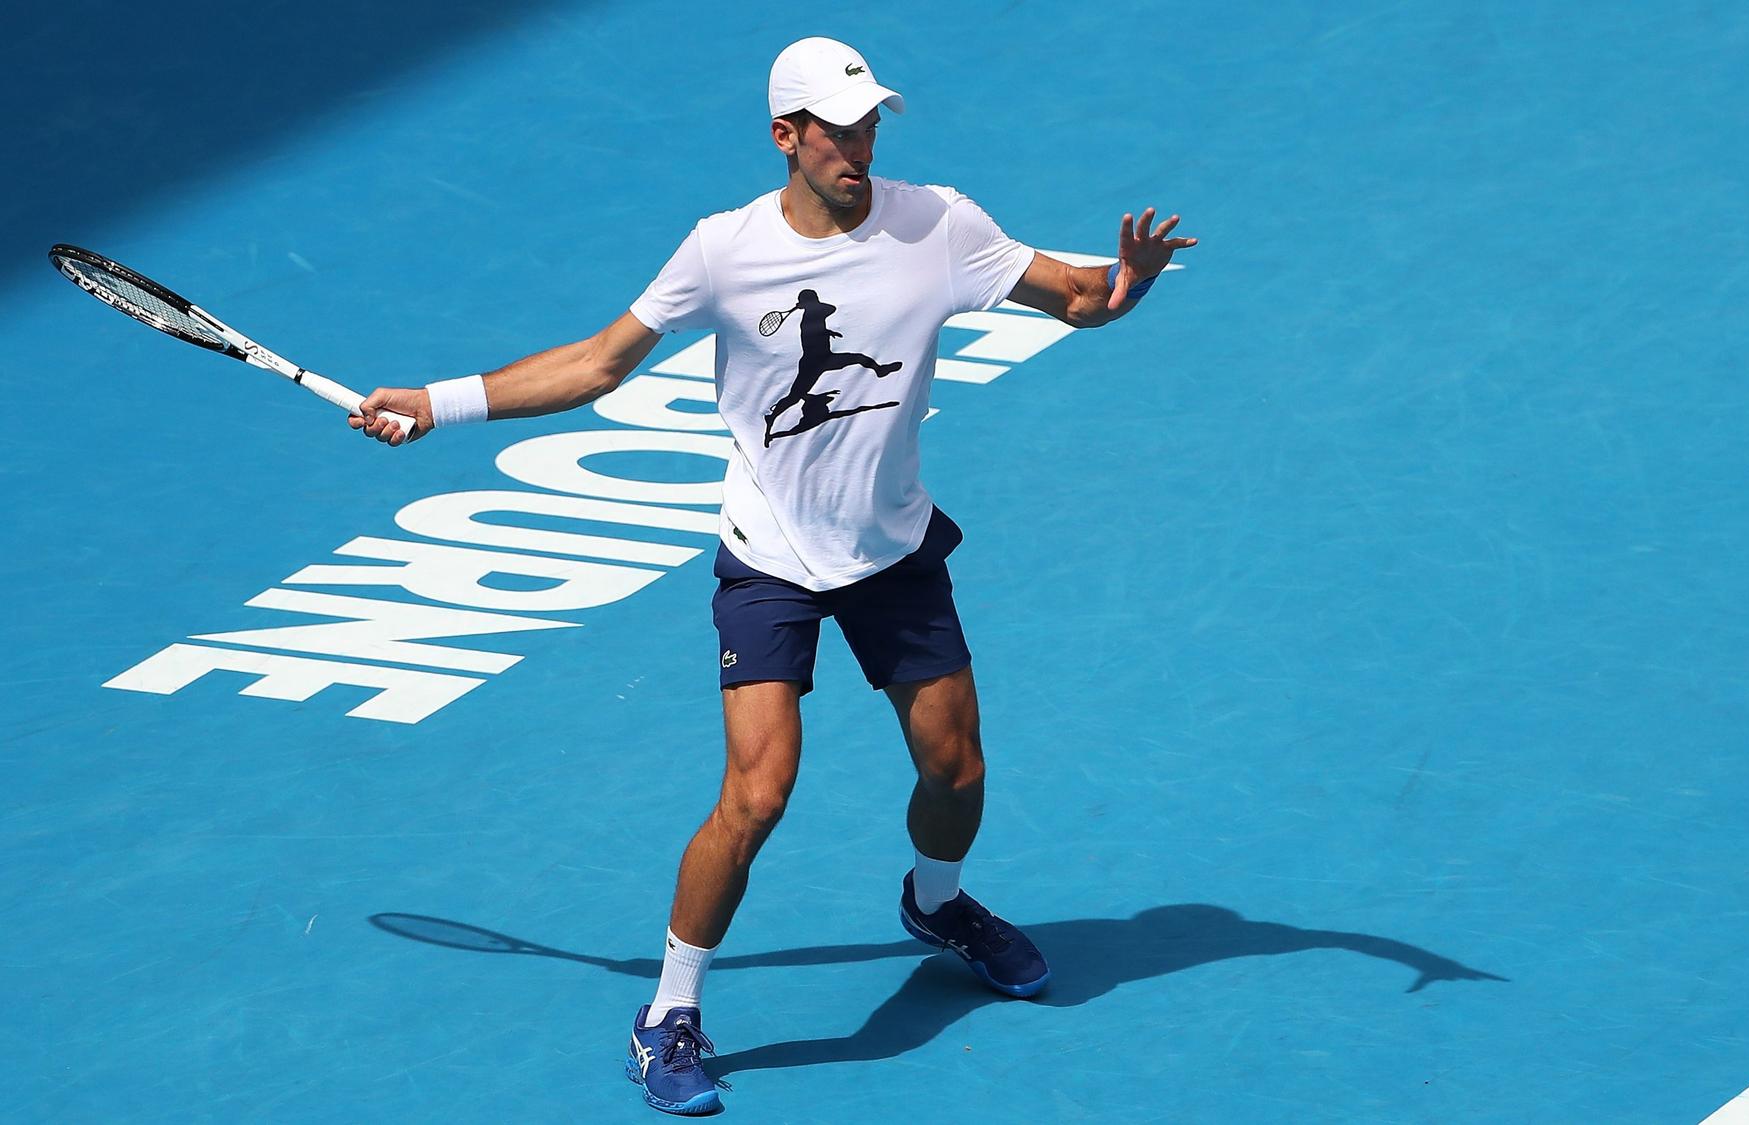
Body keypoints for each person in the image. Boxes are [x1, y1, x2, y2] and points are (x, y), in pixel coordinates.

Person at [351, 35, 1196, 1117]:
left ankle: (935, 905)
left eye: (870, 122)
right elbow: (598, 363)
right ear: (784, 137)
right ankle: (668, 1013)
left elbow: (1075, 298)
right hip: (771, 563)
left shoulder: (939, 223)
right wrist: (437, 400)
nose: (859, 143)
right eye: (836, 127)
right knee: (757, 793)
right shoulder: (720, 251)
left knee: (957, 772)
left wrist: (1128, 283)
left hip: (890, 551)